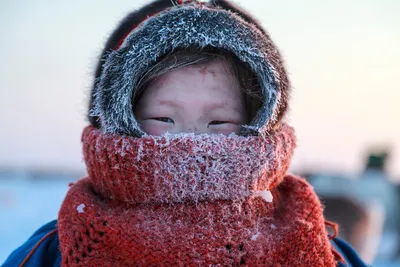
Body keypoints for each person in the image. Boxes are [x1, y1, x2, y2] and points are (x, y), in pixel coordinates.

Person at [2, 0, 368, 266]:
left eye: (218, 123)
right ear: (117, 120)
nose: (190, 140)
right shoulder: (57, 249)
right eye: (163, 119)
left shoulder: (316, 245)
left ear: (259, 124)